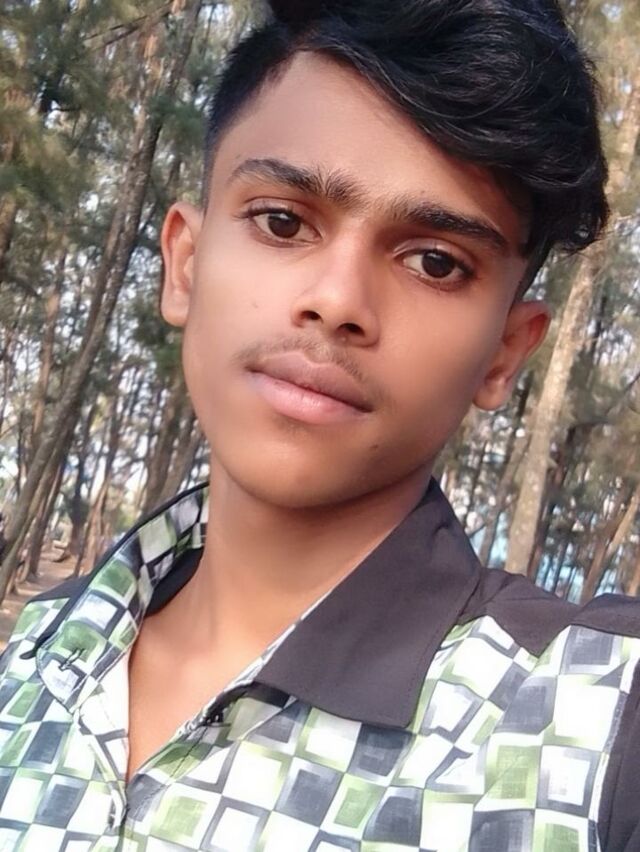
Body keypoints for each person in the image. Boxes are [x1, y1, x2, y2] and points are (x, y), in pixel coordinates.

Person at [0, 0, 635, 849]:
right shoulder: (40, 649)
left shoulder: (589, 719)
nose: (336, 301)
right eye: (282, 221)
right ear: (185, 264)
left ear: (504, 354)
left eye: (435, 262)